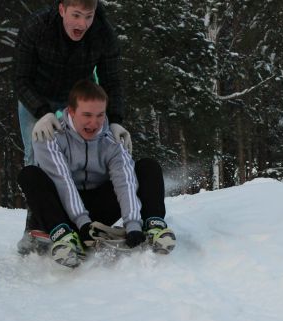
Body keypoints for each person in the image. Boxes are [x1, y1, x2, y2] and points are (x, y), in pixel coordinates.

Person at [14, 0, 131, 253]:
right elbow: (20, 79)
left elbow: (111, 80)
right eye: (76, 16)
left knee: (86, 154)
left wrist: (115, 119)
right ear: (62, 10)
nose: (82, 23)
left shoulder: (102, 32)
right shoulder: (37, 27)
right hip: (36, 95)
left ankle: (79, 219)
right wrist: (42, 113)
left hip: (77, 99)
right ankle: (35, 228)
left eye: (88, 17)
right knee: (37, 157)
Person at [17, 80, 175, 268]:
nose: (94, 122)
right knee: (29, 174)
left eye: (100, 115)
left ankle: (153, 225)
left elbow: (124, 181)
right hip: (62, 212)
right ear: (72, 111)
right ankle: (63, 236)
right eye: (87, 115)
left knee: (147, 167)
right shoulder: (51, 136)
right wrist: (82, 224)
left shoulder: (112, 138)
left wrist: (132, 225)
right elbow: (63, 182)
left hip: (98, 208)